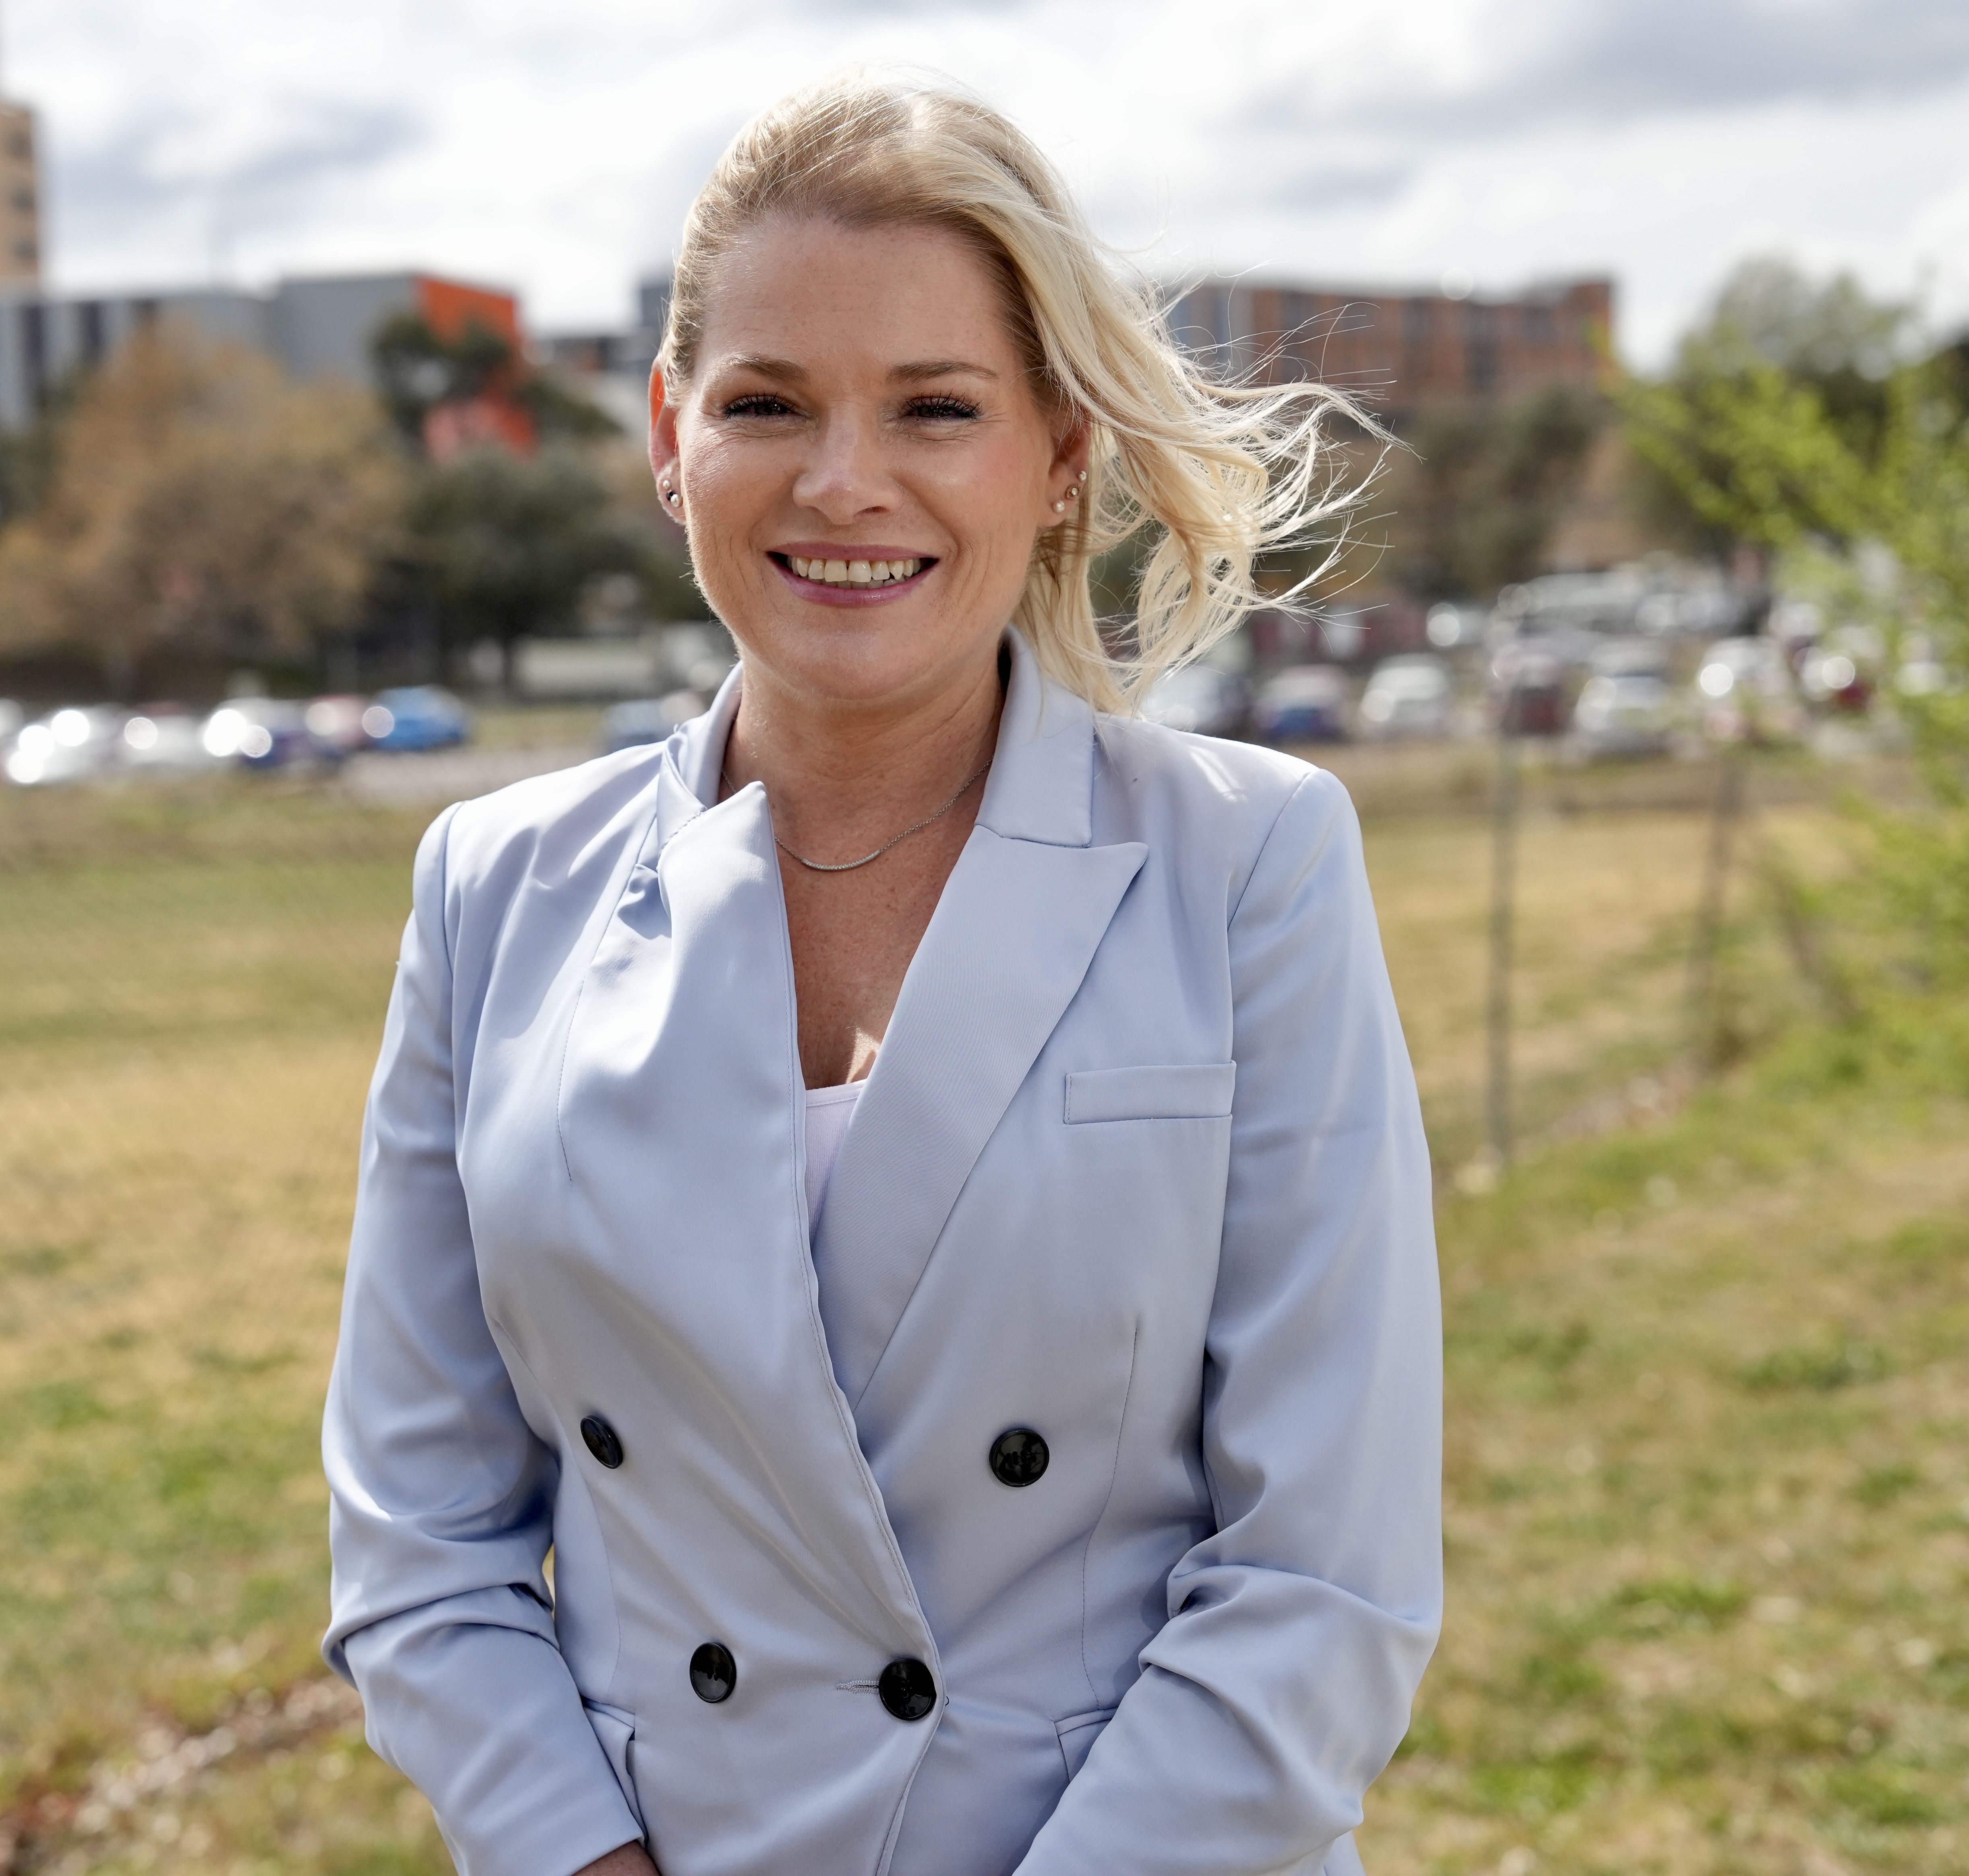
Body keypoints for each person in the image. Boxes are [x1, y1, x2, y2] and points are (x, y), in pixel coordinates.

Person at [322, 74, 1441, 1876]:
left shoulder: (1252, 865)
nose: (844, 481)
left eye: (937, 406)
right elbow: (417, 1542)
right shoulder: (491, 889)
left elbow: (1327, 1576)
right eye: (768, 404)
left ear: (1059, 451)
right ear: (672, 433)